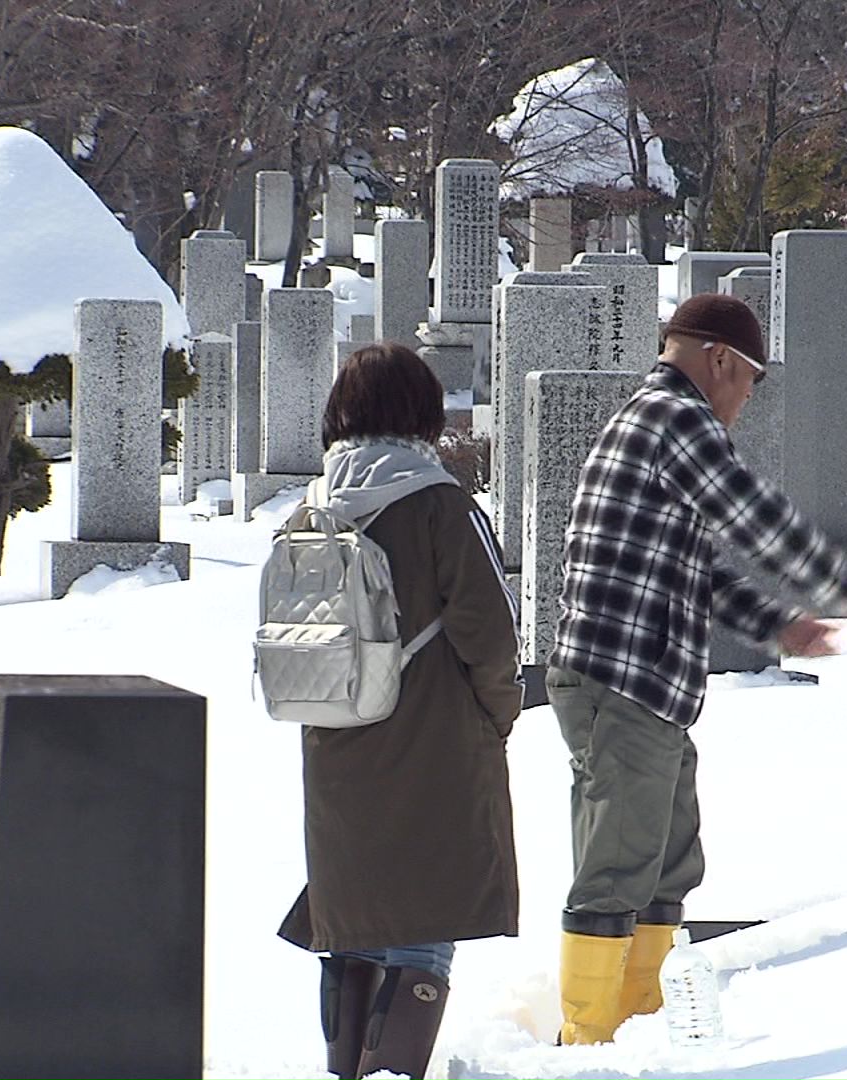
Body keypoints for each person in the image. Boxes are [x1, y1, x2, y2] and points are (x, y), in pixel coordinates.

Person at [547, 293, 847, 1044]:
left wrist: (778, 625)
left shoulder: (655, 422)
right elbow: (752, 514)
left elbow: (696, 569)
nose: (747, 400)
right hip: (623, 681)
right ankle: (587, 1041)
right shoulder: (676, 417)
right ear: (719, 360)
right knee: (619, 868)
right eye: (750, 380)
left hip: (646, 685)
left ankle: (639, 1025)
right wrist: (845, 585)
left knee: (666, 863)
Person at [276, 342, 523, 1079]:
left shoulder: (309, 507)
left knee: (357, 920)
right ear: (422, 414)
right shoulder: (439, 502)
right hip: (434, 738)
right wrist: (497, 715)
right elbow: (490, 631)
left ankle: (347, 1068)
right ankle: (392, 1071)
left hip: (333, 739)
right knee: (425, 919)